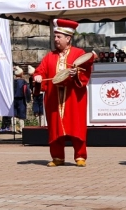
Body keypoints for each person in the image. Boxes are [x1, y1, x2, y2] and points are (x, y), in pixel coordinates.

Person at [33, 18, 94, 167]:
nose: (56, 39)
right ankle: (57, 157)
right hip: (54, 98)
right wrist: (37, 77)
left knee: (76, 125)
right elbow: (40, 71)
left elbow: (86, 70)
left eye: (59, 37)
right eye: (55, 36)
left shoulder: (79, 53)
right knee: (55, 127)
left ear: (68, 38)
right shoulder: (50, 56)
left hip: (73, 97)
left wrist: (76, 73)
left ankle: (80, 156)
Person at [12, 65, 29, 133]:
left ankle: (14, 128)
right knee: (21, 113)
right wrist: (28, 98)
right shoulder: (23, 81)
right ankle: (22, 128)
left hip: (13, 99)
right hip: (21, 99)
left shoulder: (12, 81)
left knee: (14, 113)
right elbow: (26, 90)